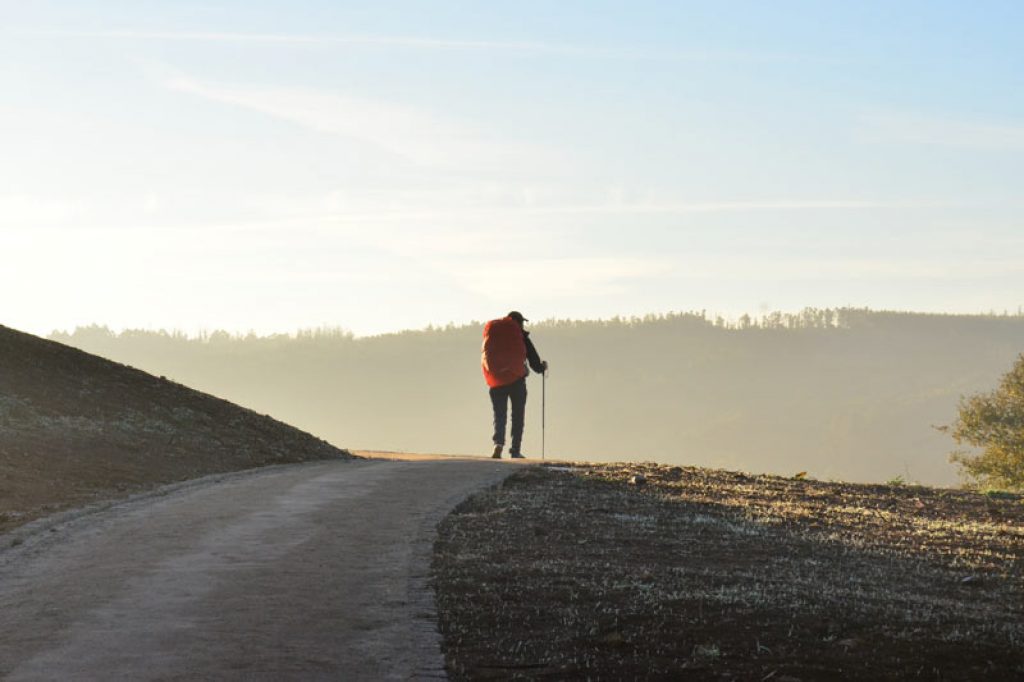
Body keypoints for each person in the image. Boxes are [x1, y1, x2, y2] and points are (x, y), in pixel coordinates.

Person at [483, 311, 547, 459]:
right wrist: (542, 367)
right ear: (518, 322)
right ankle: (515, 450)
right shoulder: (520, 335)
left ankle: (498, 444)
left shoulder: (494, 334)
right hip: (516, 381)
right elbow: (534, 361)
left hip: (496, 381)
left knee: (499, 415)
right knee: (517, 416)